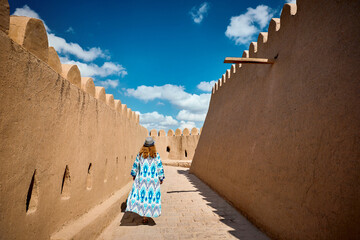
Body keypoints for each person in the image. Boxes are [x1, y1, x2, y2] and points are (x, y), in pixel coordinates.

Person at [125, 137, 165, 224]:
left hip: (142, 180)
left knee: (142, 197)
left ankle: (144, 217)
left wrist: (134, 174)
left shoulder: (140, 155)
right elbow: (159, 167)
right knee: (150, 198)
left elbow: (135, 166)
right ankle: (149, 213)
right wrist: (161, 178)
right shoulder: (156, 155)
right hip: (152, 181)